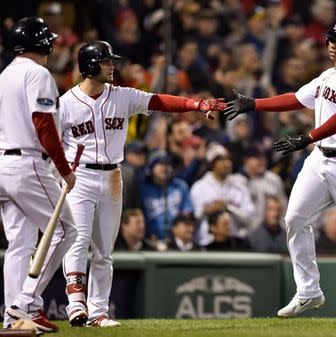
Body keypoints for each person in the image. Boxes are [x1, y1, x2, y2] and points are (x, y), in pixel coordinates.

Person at [225, 17, 336, 324]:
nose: (333, 44)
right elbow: (296, 98)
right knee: (294, 218)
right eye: (331, 39)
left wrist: (306, 138)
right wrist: (254, 104)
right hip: (322, 158)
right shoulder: (330, 74)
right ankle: (309, 290)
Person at [58, 40, 226, 328]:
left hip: (113, 176)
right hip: (80, 177)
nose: (112, 66)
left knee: (104, 250)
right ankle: (75, 303)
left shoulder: (122, 96)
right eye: (106, 61)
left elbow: (159, 101)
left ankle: (97, 312)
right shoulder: (65, 104)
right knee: (78, 239)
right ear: (89, 65)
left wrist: (196, 104)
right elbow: (50, 143)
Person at [0, 17, 77, 333]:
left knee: (20, 241)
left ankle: (12, 316)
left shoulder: (5, 75)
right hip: (28, 163)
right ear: (42, 44)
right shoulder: (38, 73)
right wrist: (64, 169)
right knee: (65, 230)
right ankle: (25, 303)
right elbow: (43, 124)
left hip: (3, 162)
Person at [140, 150, 194, 240]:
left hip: (177, 240)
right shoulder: (143, 189)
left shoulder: (180, 186)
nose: (165, 167)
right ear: (151, 167)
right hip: (151, 240)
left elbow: (187, 212)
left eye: (168, 164)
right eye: (160, 163)